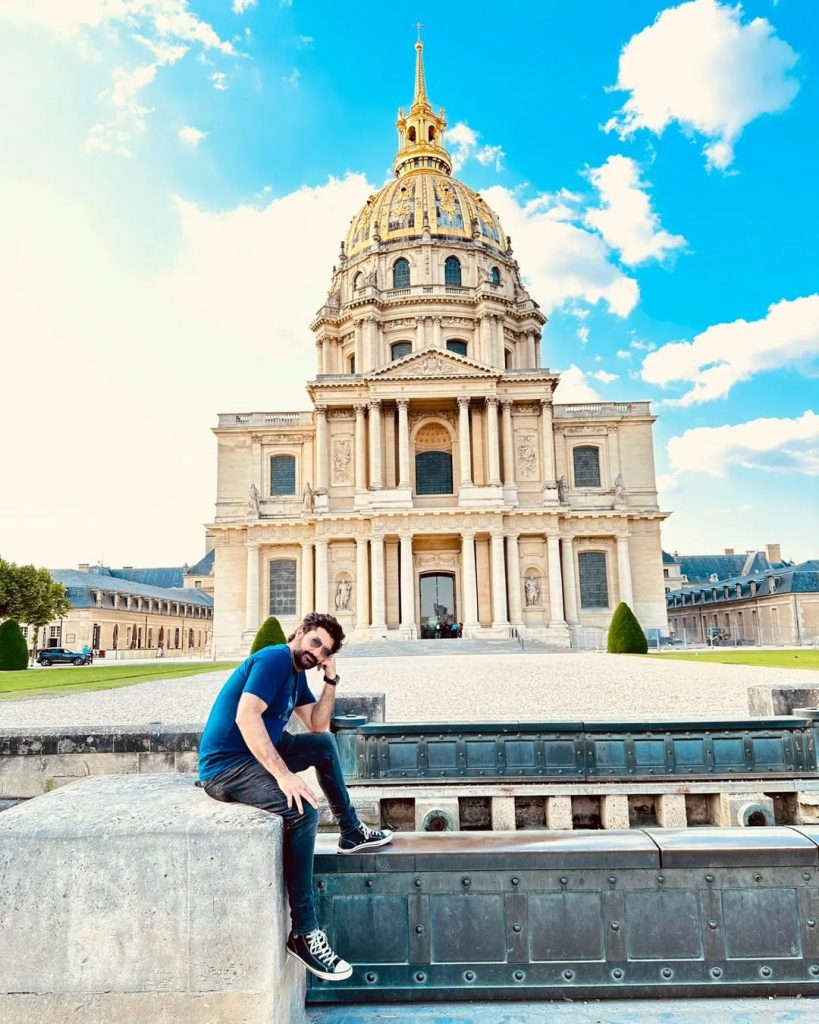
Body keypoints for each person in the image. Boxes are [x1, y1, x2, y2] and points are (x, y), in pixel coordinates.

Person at [197, 611, 393, 982]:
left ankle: (351, 831)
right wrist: (284, 776)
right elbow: (246, 717)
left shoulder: (297, 672)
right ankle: (304, 932)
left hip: (255, 752)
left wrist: (331, 678)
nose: (317, 653)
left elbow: (317, 724)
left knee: (323, 744)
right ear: (301, 633)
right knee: (301, 809)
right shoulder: (274, 658)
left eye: (325, 652)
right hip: (226, 767)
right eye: (315, 642)